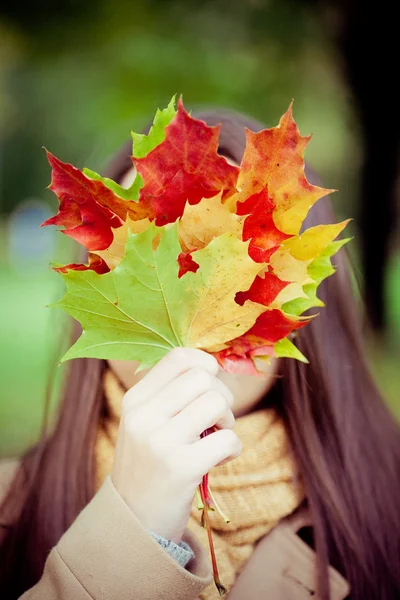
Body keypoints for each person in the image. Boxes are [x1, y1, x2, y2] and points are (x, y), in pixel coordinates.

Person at [0, 107, 399, 600]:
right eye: (147, 253)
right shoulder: (6, 514)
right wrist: (131, 536)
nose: (192, 289)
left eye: (238, 258)